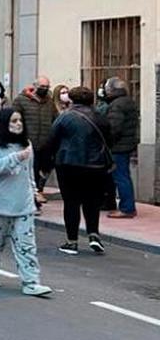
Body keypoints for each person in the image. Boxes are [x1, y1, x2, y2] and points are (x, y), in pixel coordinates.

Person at [0, 108, 53, 296]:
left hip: (23, 203)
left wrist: (34, 192)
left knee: (26, 244)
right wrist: (15, 158)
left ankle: (31, 281)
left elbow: (29, 172)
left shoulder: (26, 144)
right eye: (13, 121)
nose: (18, 124)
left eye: (20, 120)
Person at [40, 86, 111, 255]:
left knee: (71, 202)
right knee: (92, 201)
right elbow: (109, 140)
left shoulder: (65, 118)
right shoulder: (101, 118)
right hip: (96, 166)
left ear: (71, 100)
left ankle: (72, 241)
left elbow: (51, 141)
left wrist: (45, 165)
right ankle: (93, 234)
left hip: (68, 164)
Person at [12, 77, 58, 194]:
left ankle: (39, 190)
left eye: (47, 87)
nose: (45, 89)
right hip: (28, 142)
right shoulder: (21, 100)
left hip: (46, 143)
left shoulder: (49, 102)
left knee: (45, 168)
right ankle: (33, 193)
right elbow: (13, 118)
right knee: (32, 169)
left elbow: (55, 118)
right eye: (42, 87)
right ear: (35, 86)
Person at [103, 76, 140, 219]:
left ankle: (126, 208)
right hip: (127, 144)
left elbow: (114, 128)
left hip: (118, 146)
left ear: (111, 90)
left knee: (121, 177)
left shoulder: (116, 105)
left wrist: (107, 142)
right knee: (124, 176)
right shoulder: (128, 101)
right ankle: (127, 206)